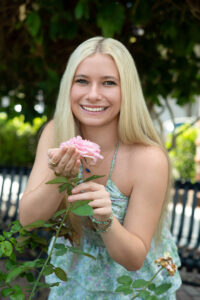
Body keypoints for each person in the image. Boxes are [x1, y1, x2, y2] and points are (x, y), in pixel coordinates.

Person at [19, 36, 182, 299]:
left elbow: (134, 259)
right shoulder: (55, 133)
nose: (93, 94)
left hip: (132, 288)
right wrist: (60, 178)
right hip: (74, 281)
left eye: (109, 83)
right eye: (81, 81)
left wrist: (106, 219)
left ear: (126, 90)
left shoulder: (148, 158)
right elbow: (28, 220)